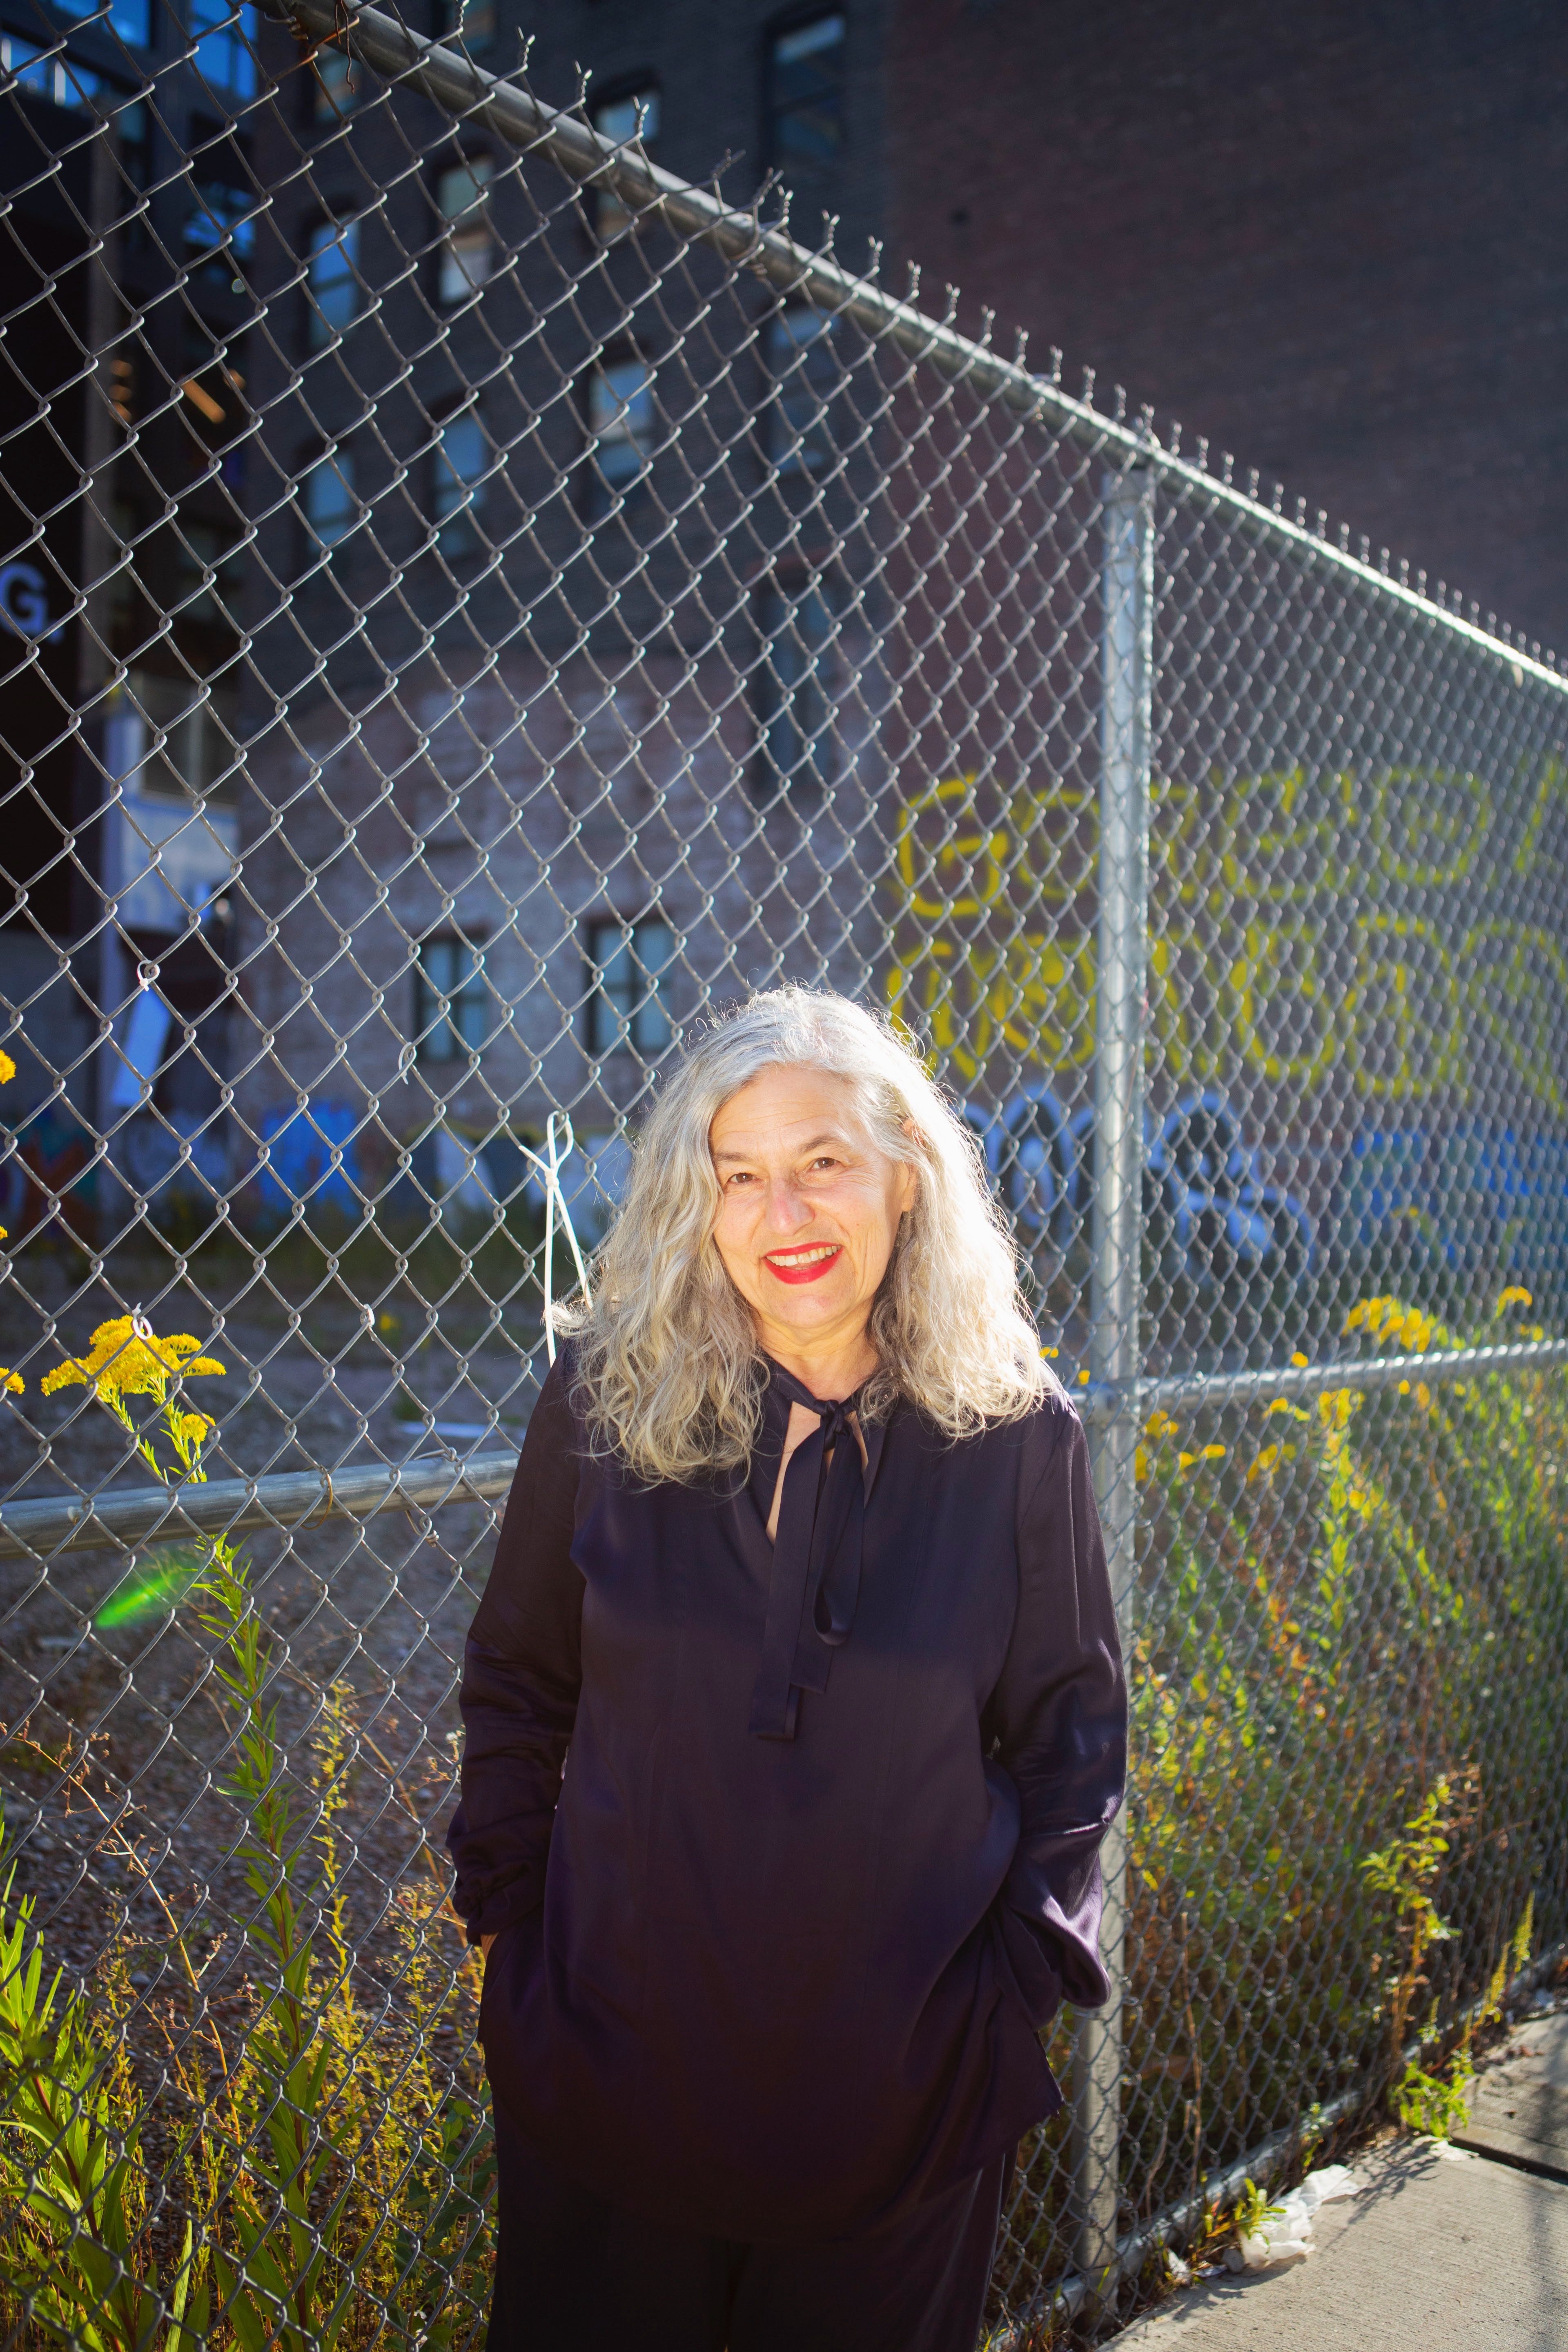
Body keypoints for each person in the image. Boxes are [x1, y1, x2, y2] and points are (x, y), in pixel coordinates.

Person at [448, 986, 1127, 2352]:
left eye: (823, 1162)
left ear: (906, 1178)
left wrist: (1005, 2002)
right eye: (740, 1174)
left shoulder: (1015, 1433)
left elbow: (1073, 1735)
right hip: (605, 2073)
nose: (784, 1215)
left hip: (900, 2111)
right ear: (696, 1203)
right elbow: (519, 1674)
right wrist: (511, 1935)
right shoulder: (601, 1399)